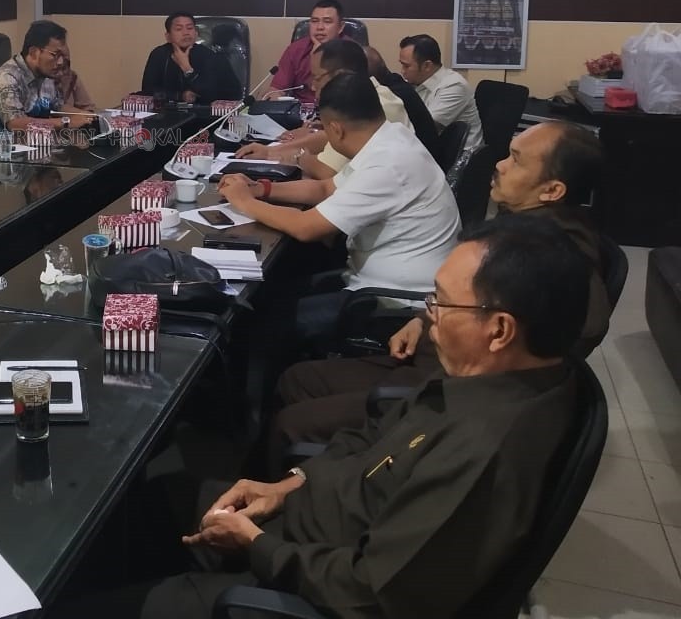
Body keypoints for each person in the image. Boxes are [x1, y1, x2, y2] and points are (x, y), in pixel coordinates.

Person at [94, 214, 589, 619]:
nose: (428, 313)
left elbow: (374, 593)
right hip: (300, 518)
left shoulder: (486, 451)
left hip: (303, 581)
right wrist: (283, 487)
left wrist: (257, 545)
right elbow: (375, 435)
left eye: (440, 302)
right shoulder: (479, 379)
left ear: (499, 330)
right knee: (143, 504)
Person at [267, 122, 608, 469]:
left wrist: (477, 372)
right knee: (297, 379)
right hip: (426, 355)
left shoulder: (556, 250)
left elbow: (586, 325)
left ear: (552, 190)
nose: (500, 164)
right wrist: (423, 318)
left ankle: (268, 505)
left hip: (442, 389)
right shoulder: (523, 225)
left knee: (290, 424)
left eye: (516, 161)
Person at [220, 74, 461, 345]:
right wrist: (262, 189)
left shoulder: (388, 164)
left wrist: (245, 203)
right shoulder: (390, 139)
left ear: (335, 129)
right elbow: (325, 188)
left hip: (395, 303)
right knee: (273, 291)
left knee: (260, 319)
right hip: (373, 282)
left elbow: (305, 227)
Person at [236, 40, 410, 179]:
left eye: (317, 78)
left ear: (340, 75)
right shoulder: (368, 95)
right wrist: (270, 151)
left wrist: (297, 157)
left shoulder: (377, 104)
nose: (313, 86)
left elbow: (326, 170)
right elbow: (327, 138)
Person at [0, 20, 93, 132]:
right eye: (55, 55)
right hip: (2, 147)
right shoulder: (7, 77)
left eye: (62, 56)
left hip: (35, 145)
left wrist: (89, 116)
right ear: (33, 52)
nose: (60, 62)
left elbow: (57, 106)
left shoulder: (46, 75)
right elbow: (15, 123)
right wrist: (66, 122)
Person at [397, 34, 483, 151]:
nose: (402, 71)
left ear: (427, 66)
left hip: (459, 159)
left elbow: (425, 129)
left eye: (406, 66)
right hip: (437, 149)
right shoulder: (418, 83)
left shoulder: (454, 86)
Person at [140, 13, 239, 105]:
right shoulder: (159, 54)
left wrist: (187, 69)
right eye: (179, 29)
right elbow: (147, 92)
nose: (186, 33)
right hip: (167, 115)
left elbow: (215, 95)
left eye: (190, 28)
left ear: (196, 33)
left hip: (203, 117)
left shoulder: (211, 56)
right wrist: (180, 96)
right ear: (168, 36)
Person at [364, 46, 439, 156]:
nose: (402, 71)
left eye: (406, 66)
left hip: (420, 161)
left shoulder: (388, 98)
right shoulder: (396, 84)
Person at [268, 0, 345, 104]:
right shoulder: (296, 50)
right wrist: (274, 98)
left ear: (340, 27)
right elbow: (275, 90)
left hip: (337, 113)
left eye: (327, 21)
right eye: (314, 21)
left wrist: (319, 57)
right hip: (299, 114)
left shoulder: (352, 52)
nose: (319, 27)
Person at [55, 43, 97, 112]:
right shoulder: (39, 81)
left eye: (64, 67)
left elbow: (89, 108)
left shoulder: (72, 77)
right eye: (57, 67)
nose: (60, 73)